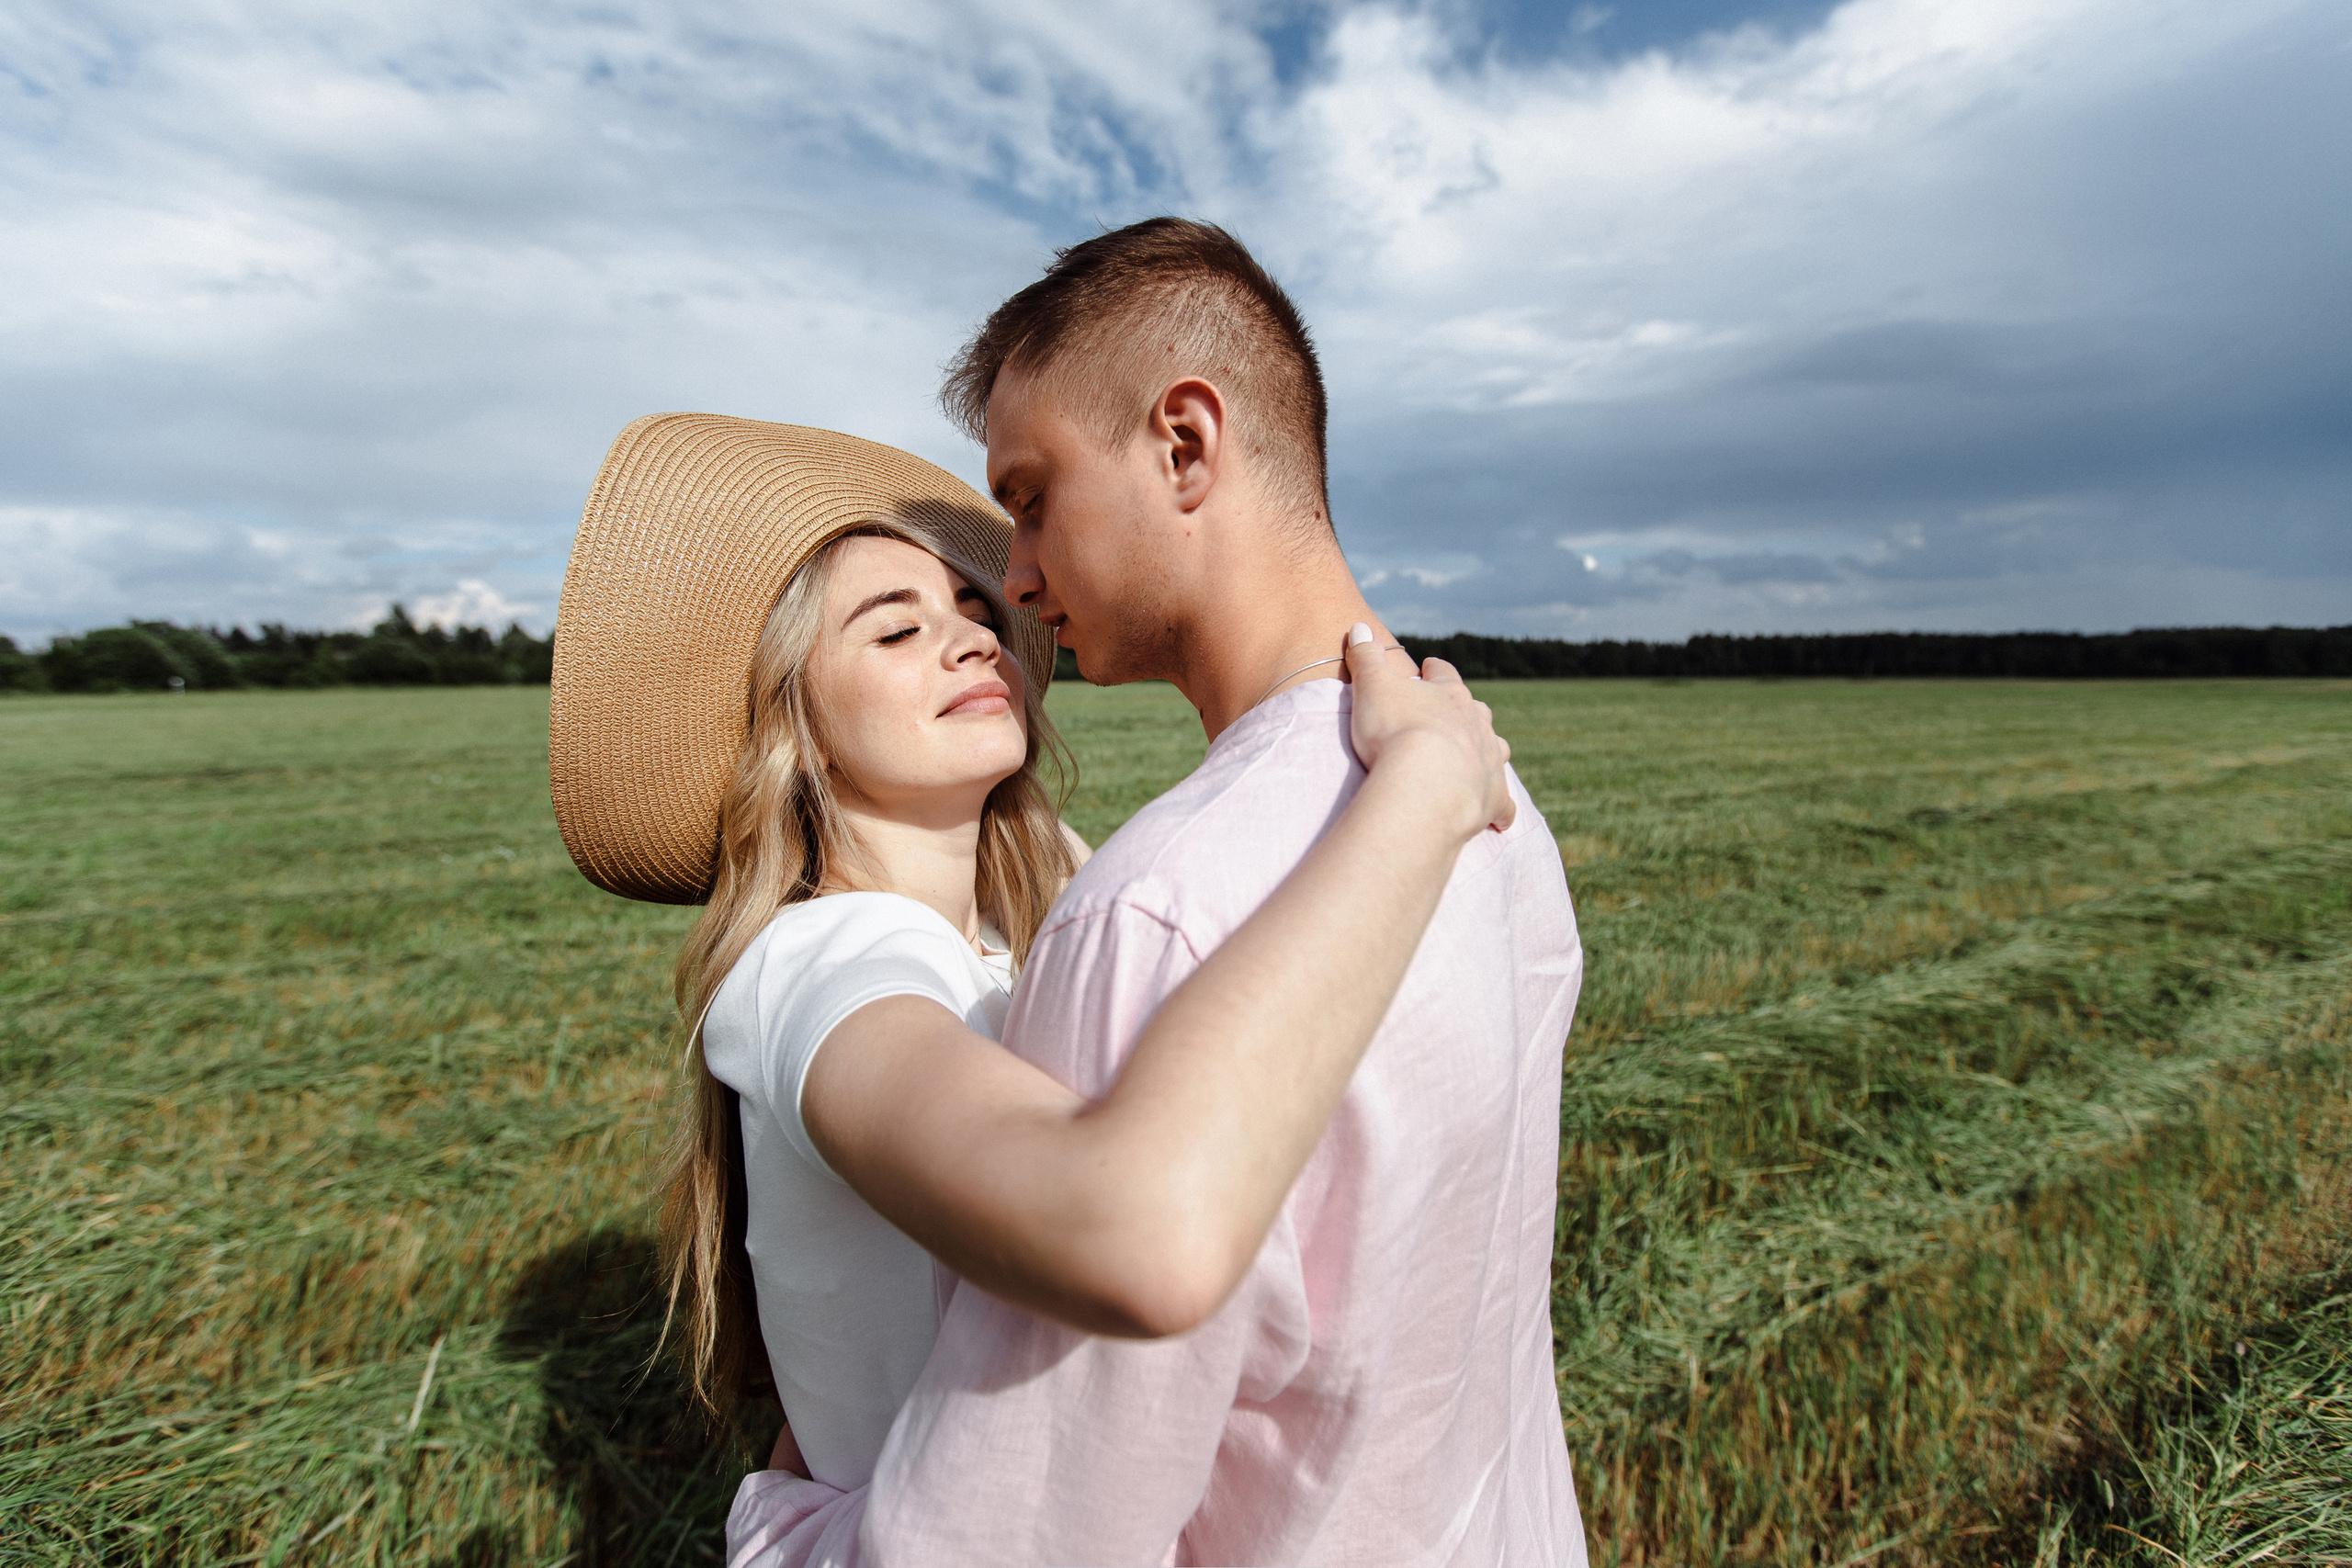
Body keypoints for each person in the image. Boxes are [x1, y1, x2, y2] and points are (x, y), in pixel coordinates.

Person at [724, 220, 1589, 1565]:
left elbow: (1003, 1536)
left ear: (1186, 444)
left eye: (1028, 496)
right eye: (899, 625)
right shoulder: (1490, 792)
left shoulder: (1157, 912)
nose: (1009, 589)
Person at [545, 407, 1533, 1551]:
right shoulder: (818, 969)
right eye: (892, 631)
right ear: (797, 728)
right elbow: (1128, 1229)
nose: (972, 640)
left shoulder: (1006, 931)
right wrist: (1419, 788)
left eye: (974, 611)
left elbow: (1168, 899)